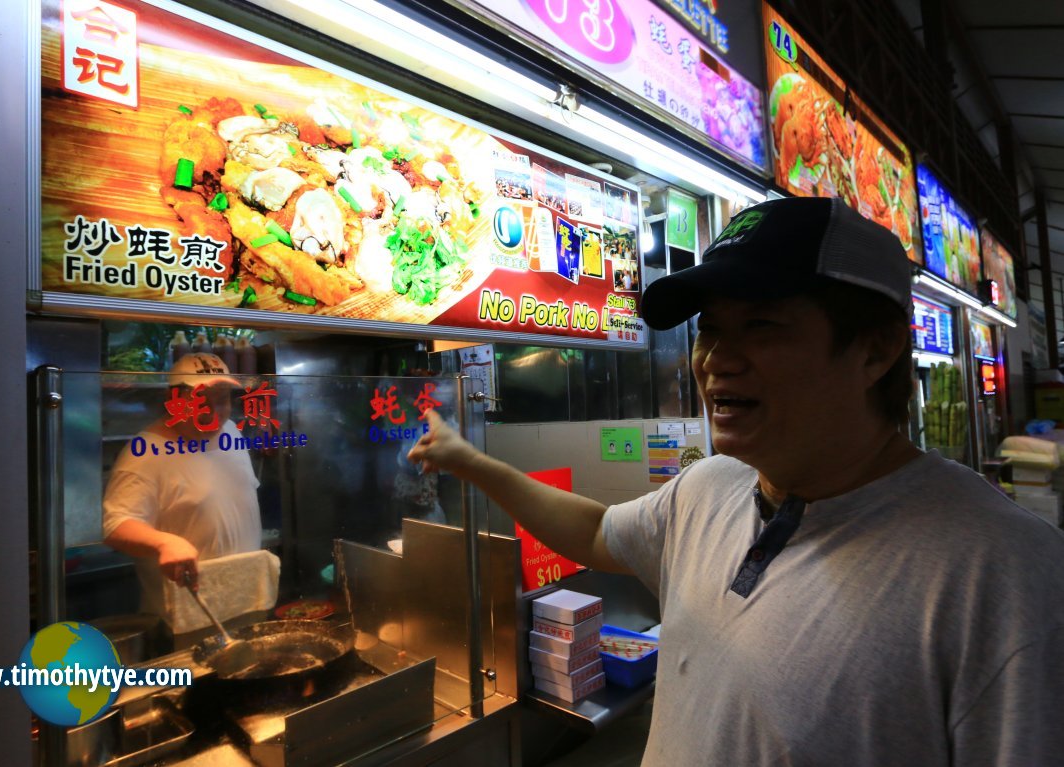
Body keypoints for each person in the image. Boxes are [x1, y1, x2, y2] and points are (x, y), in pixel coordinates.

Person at [409, 196, 1064, 765]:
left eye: (762, 325)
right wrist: (470, 460)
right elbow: (597, 530)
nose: (717, 360)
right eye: (711, 330)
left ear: (876, 348)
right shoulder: (709, 488)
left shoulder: (1002, 572)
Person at [103, 352, 262, 612]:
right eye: (201, 401)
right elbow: (115, 527)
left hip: (245, 599)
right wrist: (164, 542)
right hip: (185, 613)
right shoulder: (145, 451)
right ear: (172, 400)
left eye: (222, 401)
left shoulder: (231, 431)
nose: (214, 412)